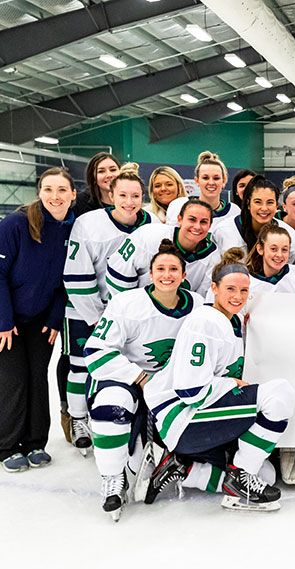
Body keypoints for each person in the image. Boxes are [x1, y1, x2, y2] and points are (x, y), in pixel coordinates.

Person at [143, 249, 295, 511]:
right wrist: (231, 384)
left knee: (266, 474)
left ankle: (187, 469)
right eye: (230, 289)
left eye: (244, 291)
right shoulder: (205, 322)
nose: (238, 297)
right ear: (213, 288)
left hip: (194, 418)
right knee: (280, 394)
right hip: (182, 419)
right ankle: (240, 480)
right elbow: (191, 391)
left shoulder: (227, 320)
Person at [84, 240, 204, 520]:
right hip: (126, 379)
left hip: (169, 387)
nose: (167, 274)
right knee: (112, 405)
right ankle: (112, 480)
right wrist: (139, 377)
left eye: (173, 269)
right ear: (150, 275)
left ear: (183, 276)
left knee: (143, 464)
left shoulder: (197, 306)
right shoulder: (127, 303)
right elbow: (95, 351)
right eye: (160, 269)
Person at [63, 163, 158, 455]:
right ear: (112, 195)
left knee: (128, 366)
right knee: (81, 364)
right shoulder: (88, 223)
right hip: (86, 308)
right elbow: (76, 274)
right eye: (123, 195)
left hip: (130, 313)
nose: (130, 202)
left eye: (136, 196)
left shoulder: (152, 223)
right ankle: (78, 419)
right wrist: (98, 318)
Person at [0, 168, 76, 472]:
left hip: (41, 318)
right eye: (48, 190)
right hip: (8, 318)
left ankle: (35, 442)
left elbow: (67, 280)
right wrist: (4, 321)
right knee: (13, 380)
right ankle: (7, 446)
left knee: (37, 376)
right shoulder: (17, 223)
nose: (55, 197)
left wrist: (56, 318)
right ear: (39, 192)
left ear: (72, 194)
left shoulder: (72, 229)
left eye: (61, 190)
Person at [106, 199, 221, 297]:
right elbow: (119, 270)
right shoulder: (150, 235)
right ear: (179, 219)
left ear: (210, 225)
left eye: (204, 222)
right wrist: (128, 307)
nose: (197, 226)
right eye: (192, 219)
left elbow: (200, 299)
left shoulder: (213, 257)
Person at [212, 176, 295, 263]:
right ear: (248, 204)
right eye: (258, 202)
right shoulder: (223, 231)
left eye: (270, 202)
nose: (264, 208)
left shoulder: (289, 235)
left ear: (276, 205)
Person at [244, 225, 295, 299]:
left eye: (284, 250)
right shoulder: (246, 281)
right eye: (273, 249)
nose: (279, 254)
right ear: (260, 249)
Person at [165, 151, 239, 228]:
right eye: (205, 178)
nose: (211, 182)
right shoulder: (178, 206)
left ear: (224, 181)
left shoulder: (234, 212)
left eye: (216, 178)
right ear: (197, 181)